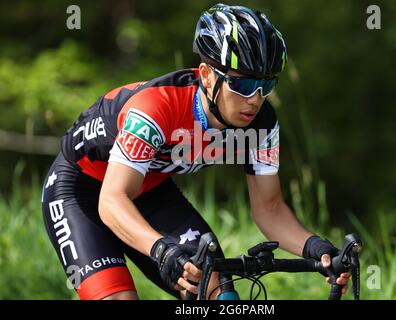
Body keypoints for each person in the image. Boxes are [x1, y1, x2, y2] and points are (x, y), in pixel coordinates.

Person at [42, 3, 350, 300]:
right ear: (206, 75)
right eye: (243, 84)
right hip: (81, 191)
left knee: (216, 287)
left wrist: (316, 249)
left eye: (265, 85)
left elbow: (268, 209)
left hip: (150, 188)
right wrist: (162, 250)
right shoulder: (155, 109)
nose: (255, 99)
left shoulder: (261, 124)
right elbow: (111, 201)